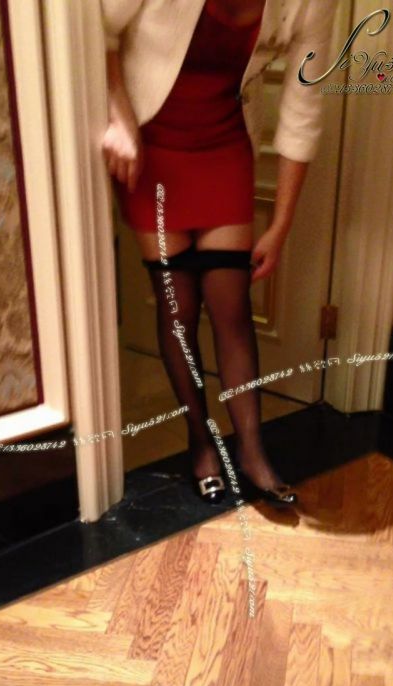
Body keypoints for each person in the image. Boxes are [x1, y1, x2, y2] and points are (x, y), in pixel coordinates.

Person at [101, 0, 339, 505]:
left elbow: (303, 106)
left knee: (232, 308)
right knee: (179, 308)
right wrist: (117, 113)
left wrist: (280, 225)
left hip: (224, 146)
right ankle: (201, 443)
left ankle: (252, 452)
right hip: (150, 144)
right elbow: (99, 27)